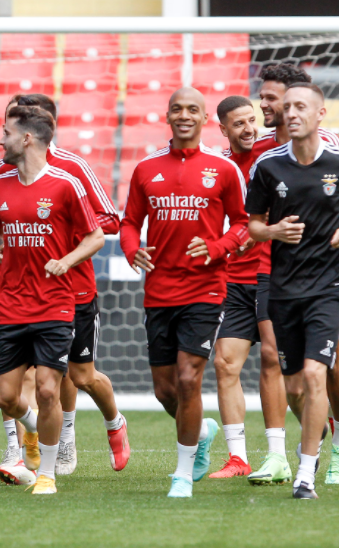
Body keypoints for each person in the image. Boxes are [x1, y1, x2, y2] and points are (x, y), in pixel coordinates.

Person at [0, 94, 129, 482]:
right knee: (28, 380)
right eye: (9, 120)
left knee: (79, 376)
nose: (4, 134)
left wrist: (63, 243)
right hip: (18, 290)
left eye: (12, 127)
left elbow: (107, 221)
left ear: (37, 130)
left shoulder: (71, 171)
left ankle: (106, 424)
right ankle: (20, 451)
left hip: (71, 289)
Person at [245, 83, 339, 499]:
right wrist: (272, 231)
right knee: (296, 388)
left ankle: (306, 475)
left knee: (316, 371)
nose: (291, 113)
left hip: (330, 285)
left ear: (321, 114)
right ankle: (316, 437)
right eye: (287, 108)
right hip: (283, 287)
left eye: (301, 106)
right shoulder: (267, 166)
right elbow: (253, 225)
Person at [119, 88, 248, 498]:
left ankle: (181, 472)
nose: (184, 114)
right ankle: (203, 431)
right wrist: (129, 249)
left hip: (206, 289)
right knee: (166, 390)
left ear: (205, 117)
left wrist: (216, 249)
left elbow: (243, 224)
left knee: (191, 379)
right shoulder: (146, 169)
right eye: (178, 108)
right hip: (159, 291)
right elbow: (128, 222)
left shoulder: (223, 169)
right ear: (168, 116)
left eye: (193, 109)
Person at [207, 95, 263, 479]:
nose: (249, 129)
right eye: (239, 124)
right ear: (223, 129)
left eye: (252, 120)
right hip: (234, 280)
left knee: (290, 372)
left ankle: (326, 429)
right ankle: (239, 458)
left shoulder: (275, 153)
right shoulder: (219, 167)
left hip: (280, 277)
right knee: (225, 364)